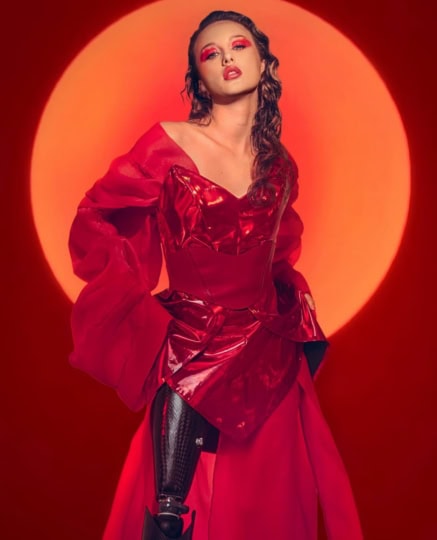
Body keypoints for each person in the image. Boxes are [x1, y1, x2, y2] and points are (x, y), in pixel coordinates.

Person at [68, 10, 363, 540]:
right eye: (211, 53)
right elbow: (97, 219)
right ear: (198, 79)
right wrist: (139, 306)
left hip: (268, 364)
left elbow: (278, 253)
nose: (227, 57)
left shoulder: (280, 166)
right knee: (171, 519)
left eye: (239, 45)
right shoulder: (167, 143)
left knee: (268, 513)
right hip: (191, 355)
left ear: (264, 61)